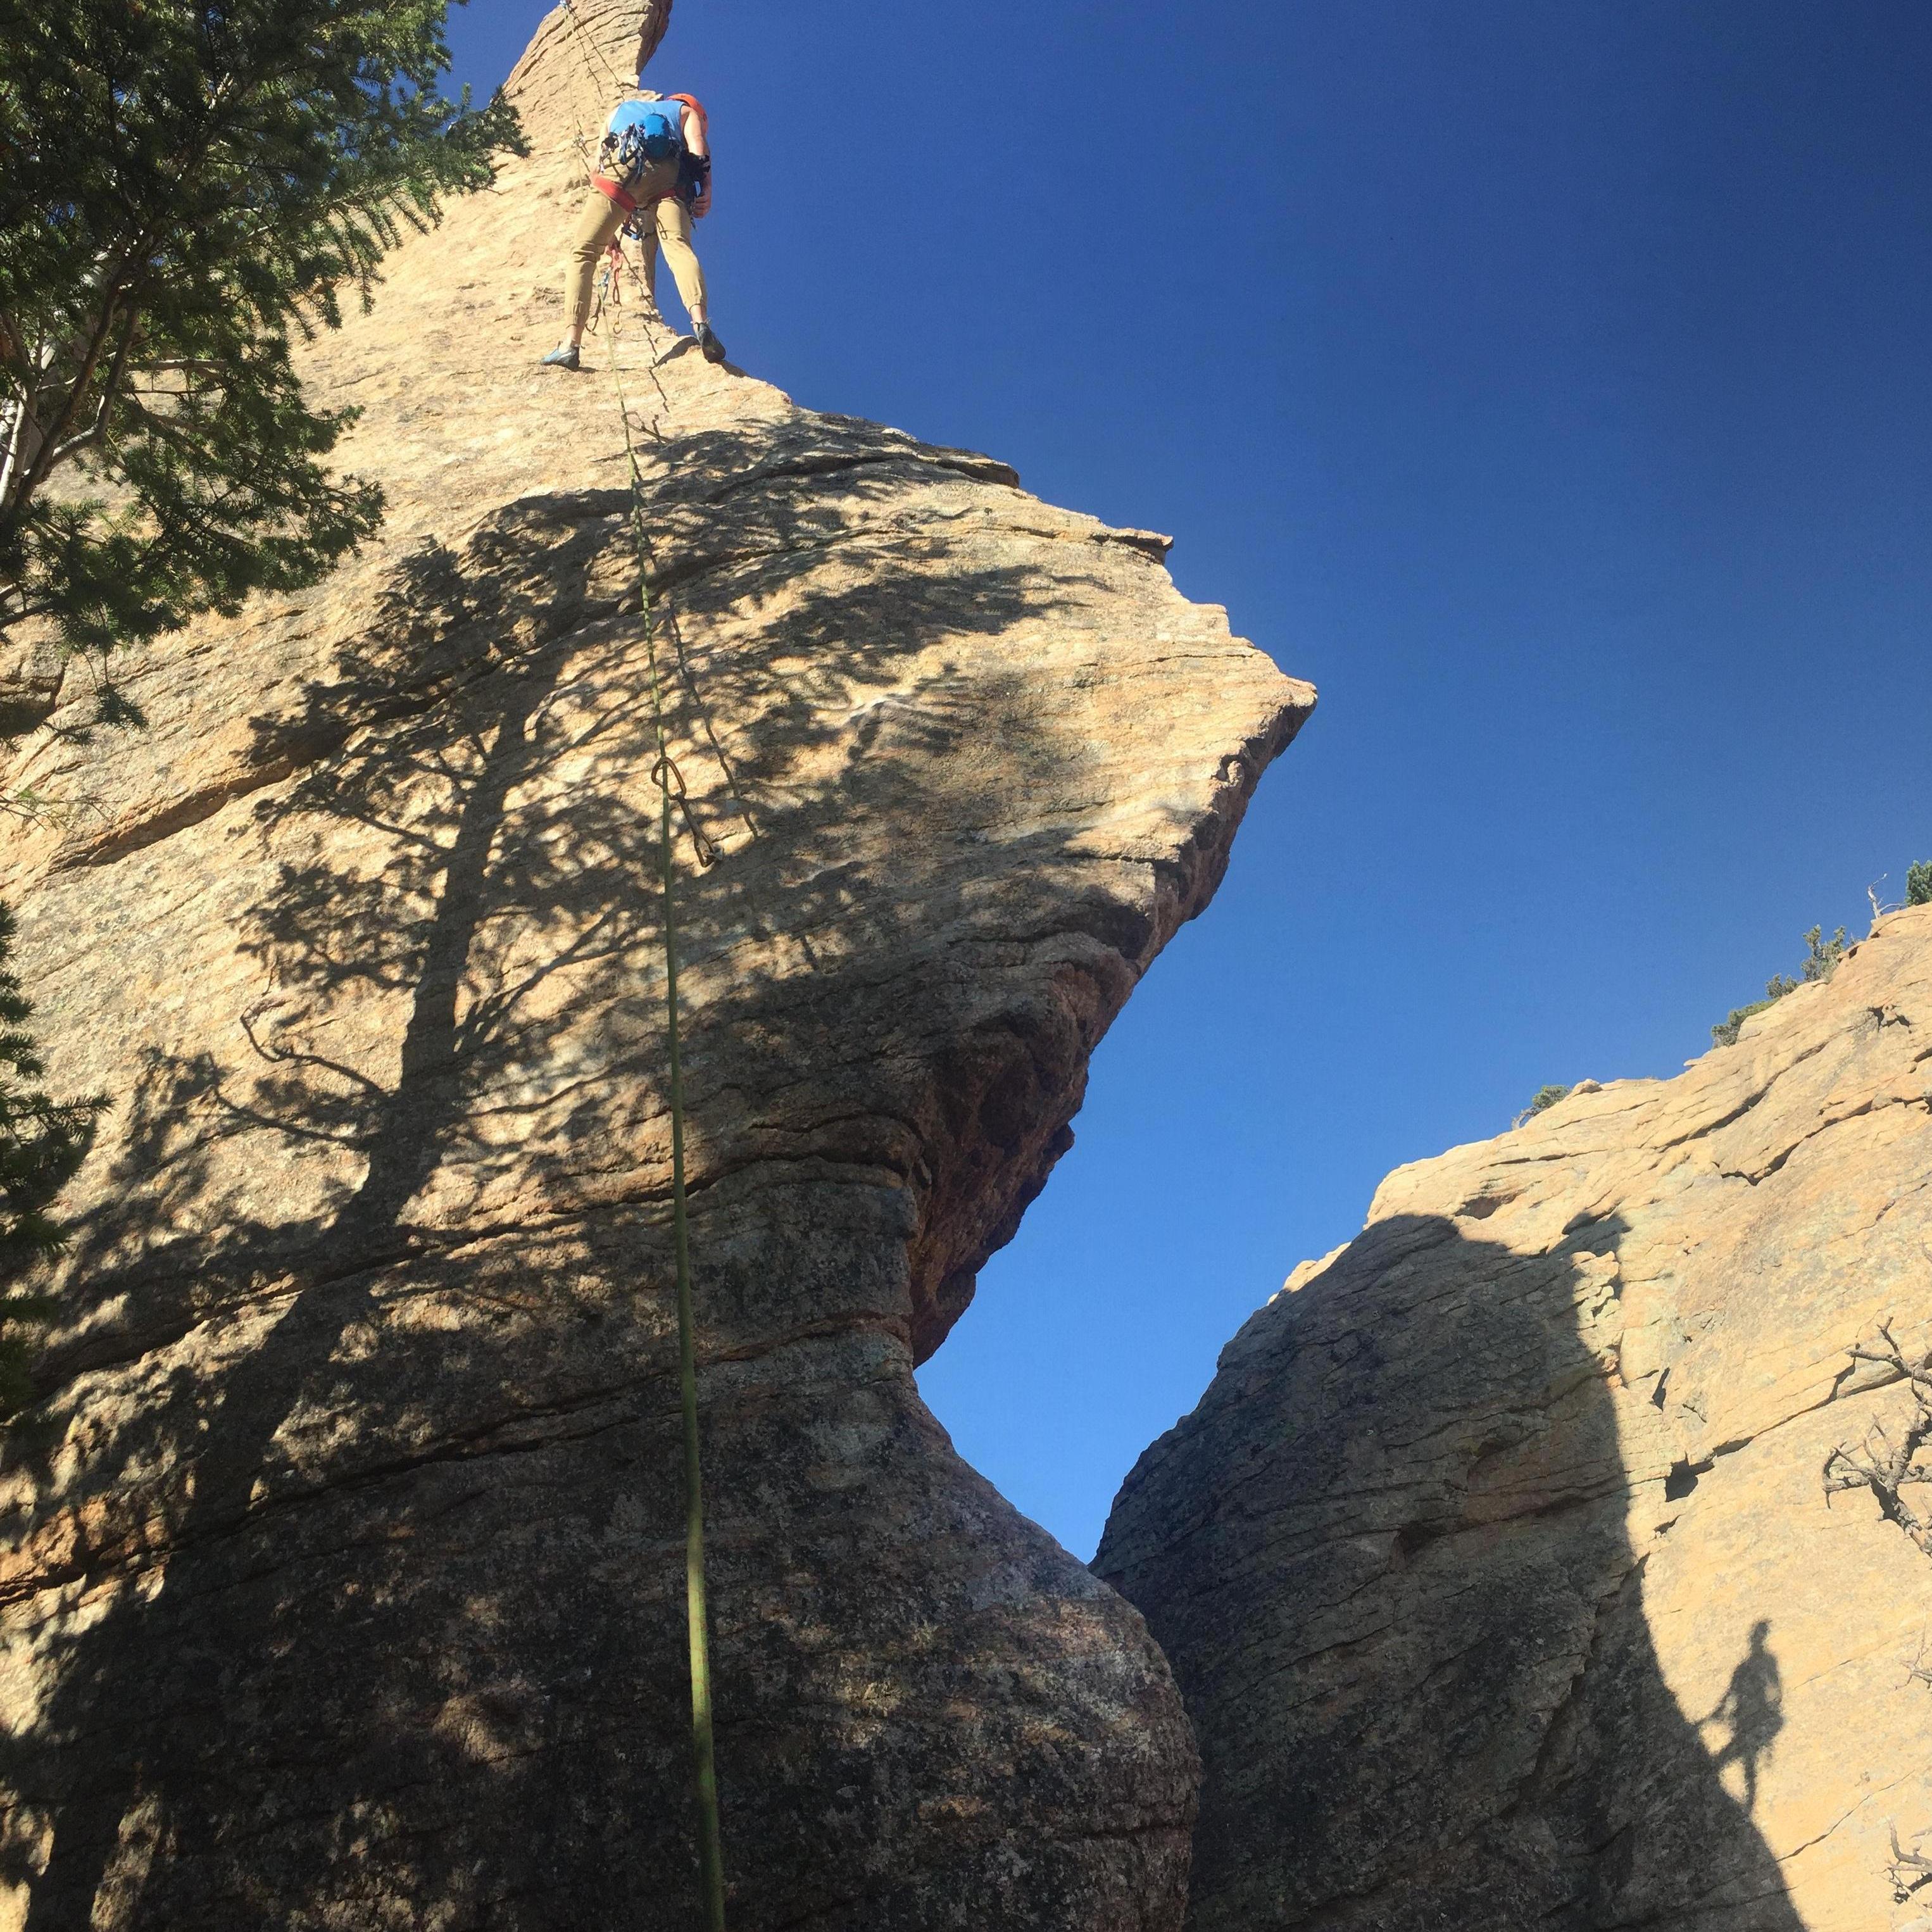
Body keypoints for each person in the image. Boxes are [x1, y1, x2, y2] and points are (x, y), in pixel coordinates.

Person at [542, 86, 724, 371]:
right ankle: (701, 323)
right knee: (677, 246)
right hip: (669, 178)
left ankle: (570, 344)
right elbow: (698, 148)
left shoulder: (619, 111)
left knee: (584, 251)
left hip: (621, 167)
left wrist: (612, 231)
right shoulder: (687, 113)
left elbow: (598, 166)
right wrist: (707, 190)